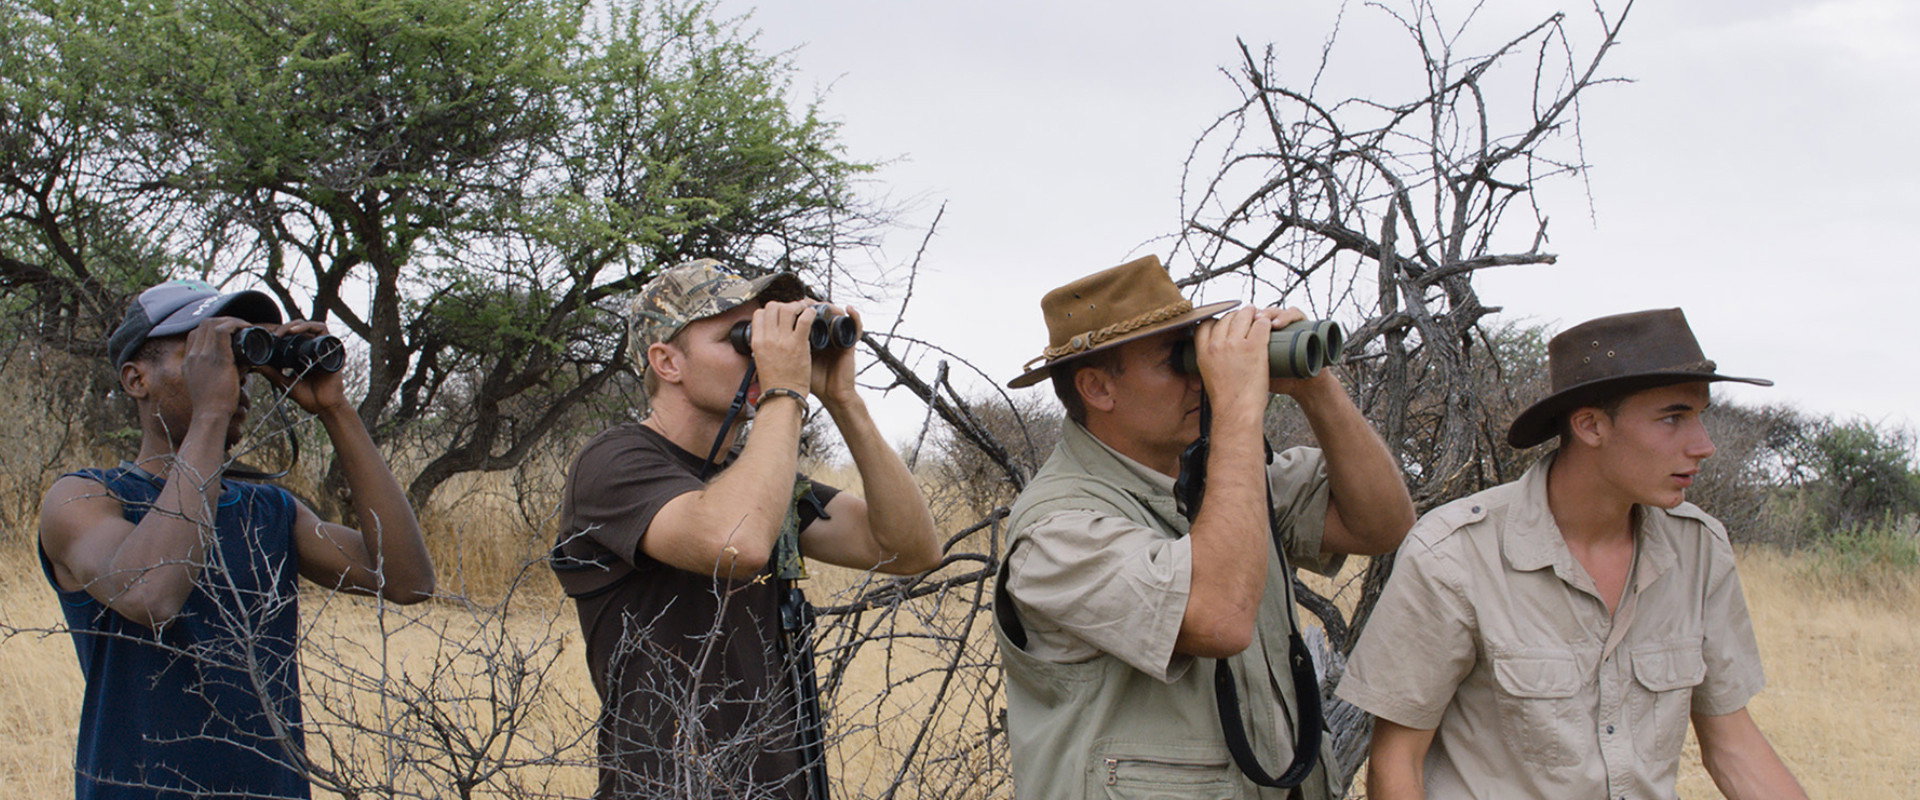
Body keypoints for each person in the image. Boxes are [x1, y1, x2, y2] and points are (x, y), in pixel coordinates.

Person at [1337, 308, 1810, 799]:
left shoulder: (1699, 547)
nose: (1704, 445)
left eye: (1699, 417)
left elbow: (1733, 746)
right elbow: (1397, 762)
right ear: (1590, 425)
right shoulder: (1455, 552)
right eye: (1673, 418)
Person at [994, 255, 1414, 799]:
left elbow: (1381, 524)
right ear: (1097, 388)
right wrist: (1239, 405)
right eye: (1178, 360)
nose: (1202, 377)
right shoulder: (1058, 530)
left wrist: (1316, 387)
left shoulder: (1219, 478)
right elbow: (1218, 619)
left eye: (1199, 351)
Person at [551, 259, 941, 799]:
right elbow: (737, 544)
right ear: (667, 362)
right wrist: (785, 392)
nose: (761, 351)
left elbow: (909, 550)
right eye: (741, 337)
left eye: (764, 333)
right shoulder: (614, 462)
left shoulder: (753, 479)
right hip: (669, 787)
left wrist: (843, 400)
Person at [37, 279, 436, 799]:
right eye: (203, 356)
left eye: (238, 365)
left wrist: (335, 409)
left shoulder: (268, 510)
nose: (234, 381)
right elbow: (151, 594)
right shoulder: (84, 498)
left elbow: (407, 581)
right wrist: (211, 412)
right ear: (136, 379)